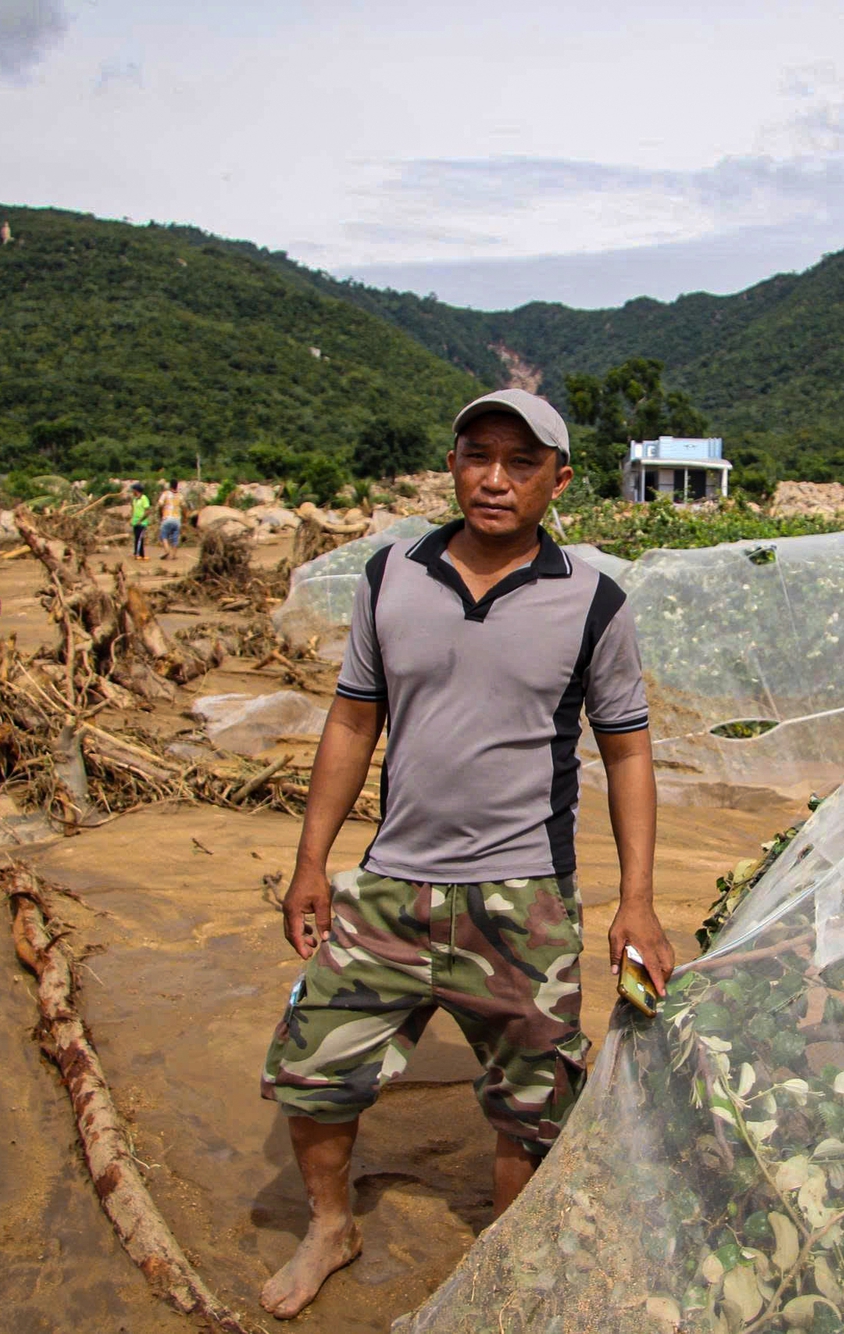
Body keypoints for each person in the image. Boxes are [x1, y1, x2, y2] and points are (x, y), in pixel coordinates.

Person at [258, 389, 669, 1320]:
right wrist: (311, 863)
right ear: (451, 466)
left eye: (522, 463)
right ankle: (331, 1226)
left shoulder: (594, 601)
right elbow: (353, 720)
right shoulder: (391, 575)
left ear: (559, 481)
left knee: (535, 1098)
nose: (495, 479)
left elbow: (627, 751)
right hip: (391, 884)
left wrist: (637, 900)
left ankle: (503, 1263)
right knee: (314, 1069)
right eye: (478, 455)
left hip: (524, 898)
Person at [156, 479, 184, 561]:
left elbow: (160, 504)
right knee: (175, 538)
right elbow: (184, 507)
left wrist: (160, 513)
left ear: (170, 485)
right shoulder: (180, 496)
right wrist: (185, 518)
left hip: (167, 518)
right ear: (177, 486)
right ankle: (174, 555)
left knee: (164, 535)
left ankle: (167, 550)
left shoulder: (165, 494)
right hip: (177, 520)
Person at [129, 483, 151, 560]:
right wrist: (131, 519)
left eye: (133, 490)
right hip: (135, 522)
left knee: (140, 538)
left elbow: (147, 511)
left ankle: (138, 554)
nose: (132, 491)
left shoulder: (144, 498)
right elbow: (133, 510)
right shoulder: (134, 499)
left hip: (142, 522)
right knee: (137, 538)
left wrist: (140, 520)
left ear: (136, 490)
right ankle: (139, 554)